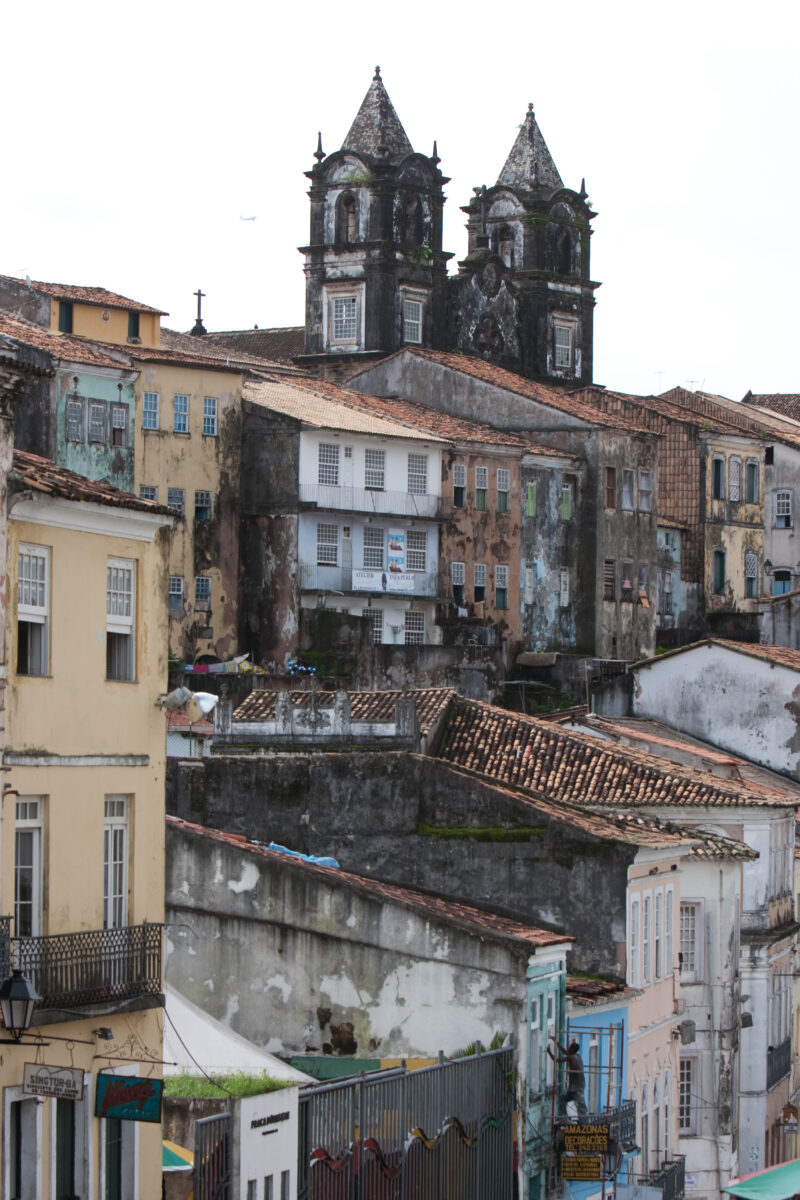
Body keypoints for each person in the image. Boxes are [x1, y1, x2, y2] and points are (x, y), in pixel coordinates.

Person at [548, 1038, 589, 1121]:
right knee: (563, 1100)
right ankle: (565, 1118)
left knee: (581, 1107)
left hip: (577, 1087)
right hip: (574, 1087)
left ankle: (583, 1125)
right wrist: (556, 1042)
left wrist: (549, 1052)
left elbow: (557, 1060)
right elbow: (564, 1051)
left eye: (570, 1048)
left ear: (572, 1050)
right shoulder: (576, 1056)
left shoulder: (572, 1058)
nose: (568, 1049)